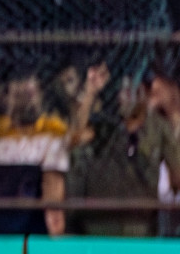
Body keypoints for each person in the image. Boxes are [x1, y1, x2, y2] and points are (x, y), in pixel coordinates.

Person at [0, 64, 92, 237]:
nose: (24, 98)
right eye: (18, 95)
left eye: (30, 93)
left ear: (40, 97)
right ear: (7, 99)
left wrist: (54, 212)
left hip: (32, 232)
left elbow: (53, 180)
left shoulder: (51, 139)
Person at [68, 64, 180, 237]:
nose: (128, 94)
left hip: (140, 229)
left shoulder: (157, 126)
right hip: (98, 228)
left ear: (145, 93)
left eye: (135, 88)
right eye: (124, 88)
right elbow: (75, 137)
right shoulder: (104, 124)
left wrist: (174, 111)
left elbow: (177, 176)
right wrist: (90, 92)